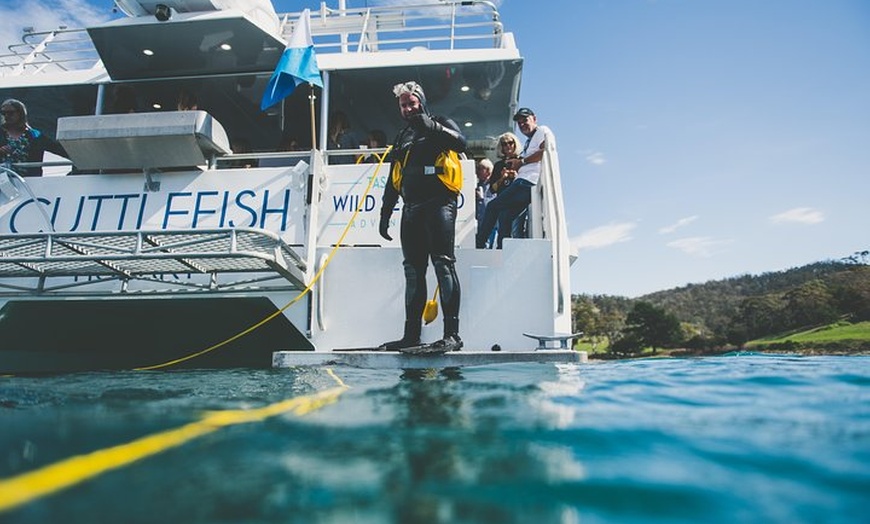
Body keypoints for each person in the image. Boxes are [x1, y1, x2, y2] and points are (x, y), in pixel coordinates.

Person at [378, 81, 467, 353]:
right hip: (411, 208)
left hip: (439, 203)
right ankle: (411, 336)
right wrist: (385, 212)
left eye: (411, 103)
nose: (407, 108)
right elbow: (394, 180)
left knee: (443, 264)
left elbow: (461, 142)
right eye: (403, 105)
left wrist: (432, 127)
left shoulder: (439, 121)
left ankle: (452, 335)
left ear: (421, 102)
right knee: (413, 273)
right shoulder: (402, 135)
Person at [475, 107, 555, 249]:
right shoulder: (529, 142)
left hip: (526, 183)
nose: (522, 124)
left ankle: (480, 244)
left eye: (525, 120)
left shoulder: (542, 131)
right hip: (523, 184)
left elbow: (545, 151)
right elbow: (493, 188)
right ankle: (501, 251)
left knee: (493, 207)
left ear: (534, 119)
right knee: (505, 216)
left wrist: (521, 163)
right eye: (519, 122)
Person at [1, 99, 68, 177]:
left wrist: (78, 158)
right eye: (3, 113)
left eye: (10, 113)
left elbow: (58, 149)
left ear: (20, 113)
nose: (6, 116)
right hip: (3, 180)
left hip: (31, 181)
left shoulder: (34, 135)